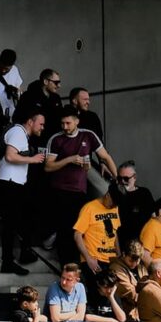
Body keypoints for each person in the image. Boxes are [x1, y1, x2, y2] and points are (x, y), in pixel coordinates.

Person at [44, 105, 115, 263]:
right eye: (62, 123)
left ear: (77, 121)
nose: (65, 127)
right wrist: (69, 159)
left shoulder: (88, 135)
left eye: (68, 123)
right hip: (60, 189)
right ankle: (65, 263)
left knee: (79, 228)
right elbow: (48, 166)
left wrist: (117, 181)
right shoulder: (56, 139)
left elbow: (106, 157)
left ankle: (76, 263)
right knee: (65, 228)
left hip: (80, 190)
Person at [0, 110, 47, 273]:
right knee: (11, 224)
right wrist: (32, 159)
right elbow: (10, 156)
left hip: (14, 183)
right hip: (10, 183)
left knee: (25, 217)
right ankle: (8, 261)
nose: (42, 127)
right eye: (41, 123)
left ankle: (23, 253)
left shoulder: (20, 134)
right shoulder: (18, 132)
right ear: (30, 122)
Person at [72, 189, 122, 275]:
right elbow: (77, 234)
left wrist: (118, 254)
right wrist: (88, 258)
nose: (113, 206)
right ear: (108, 195)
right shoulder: (89, 208)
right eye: (112, 204)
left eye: (115, 205)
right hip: (94, 259)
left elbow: (115, 231)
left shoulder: (115, 208)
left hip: (111, 259)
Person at [115, 161, 156, 247]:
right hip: (121, 244)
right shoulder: (114, 195)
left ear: (135, 177)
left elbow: (154, 218)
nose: (122, 181)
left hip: (142, 244)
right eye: (119, 178)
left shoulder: (144, 193)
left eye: (126, 179)